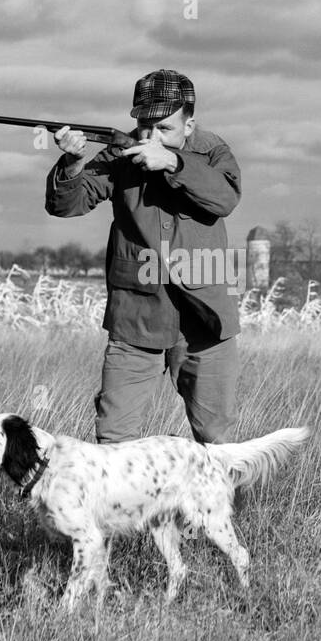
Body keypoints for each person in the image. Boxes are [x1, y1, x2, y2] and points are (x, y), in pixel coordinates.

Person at [45, 69, 241, 444]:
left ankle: (221, 505)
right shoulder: (120, 152)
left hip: (205, 318)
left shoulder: (214, 151)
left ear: (189, 124)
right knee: (113, 439)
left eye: (164, 128)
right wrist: (72, 163)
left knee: (215, 441)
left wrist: (172, 163)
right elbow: (66, 206)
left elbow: (225, 198)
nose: (151, 137)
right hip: (135, 317)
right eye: (145, 126)